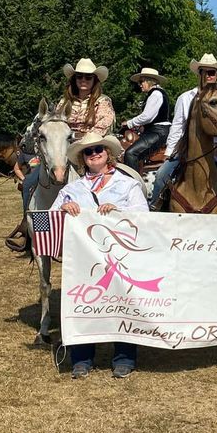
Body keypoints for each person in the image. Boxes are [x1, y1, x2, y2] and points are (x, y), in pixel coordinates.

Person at [52, 132, 148, 378]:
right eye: (89, 151)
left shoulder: (128, 185)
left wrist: (119, 210)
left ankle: (124, 358)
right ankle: (81, 359)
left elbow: (144, 216)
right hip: (84, 260)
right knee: (84, 304)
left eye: (99, 150)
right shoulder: (72, 189)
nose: (94, 154)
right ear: (83, 158)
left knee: (123, 304)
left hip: (121, 257)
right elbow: (49, 217)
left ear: (108, 154)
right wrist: (63, 208)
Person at [6, 58, 116, 251]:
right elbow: (51, 125)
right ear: (74, 80)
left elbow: (102, 127)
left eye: (88, 78)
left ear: (94, 81)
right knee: (30, 183)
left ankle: (108, 227)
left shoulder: (102, 101)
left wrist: (74, 137)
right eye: (79, 77)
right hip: (62, 150)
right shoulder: (64, 102)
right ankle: (32, 230)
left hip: (92, 149)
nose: (83, 80)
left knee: (115, 181)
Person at [150, 54, 217, 208]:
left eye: (212, 72)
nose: (208, 75)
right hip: (188, 146)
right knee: (161, 176)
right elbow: (178, 126)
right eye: (204, 72)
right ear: (199, 74)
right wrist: (169, 152)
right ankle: (154, 212)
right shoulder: (185, 98)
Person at [122, 67, 172, 174]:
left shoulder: (156, 94)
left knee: (131, 153)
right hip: (156, 130)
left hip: (158, 131)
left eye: (141, 81)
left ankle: (132, 184)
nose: (139, 84)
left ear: (150, 81)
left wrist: (129, 123)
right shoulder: (155, 93)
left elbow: (147, 116)